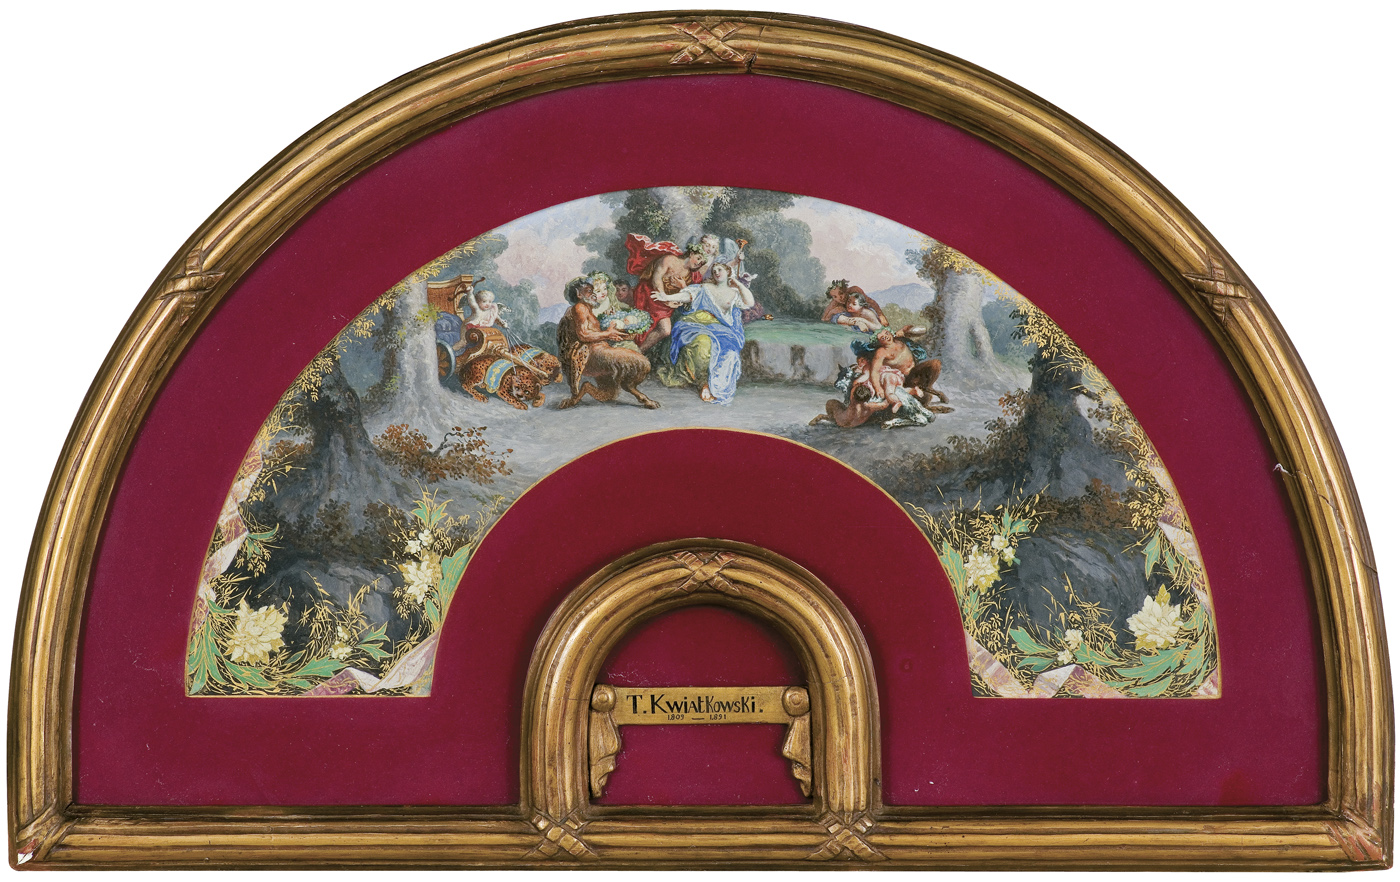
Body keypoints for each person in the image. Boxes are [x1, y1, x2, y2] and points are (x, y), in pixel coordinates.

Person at [651, 263, 754, 403]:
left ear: (728, 272)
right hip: (697, 324)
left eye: (720, 269)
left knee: (729, 353)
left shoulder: (734, 293)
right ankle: (703, 382)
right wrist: (667, 297)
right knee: (702, 343)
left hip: (721, 329)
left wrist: (737, 283)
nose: (716, 272)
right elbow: (688, 296)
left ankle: (716, 385)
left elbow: (749, 303)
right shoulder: (706, 288)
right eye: (714, 270)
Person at [625, 233, 708, 352]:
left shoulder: (692, 275)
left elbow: (689, 295)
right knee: (645, 325)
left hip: (667, 304)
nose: (698, 263)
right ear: (691, 253)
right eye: (698, 258)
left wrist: (681, 289)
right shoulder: (669, 259)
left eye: (701, 262)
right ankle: (635, 350)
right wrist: (664, 297)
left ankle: (638, 352)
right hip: (650, 294)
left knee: (665, 330)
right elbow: (657, 278)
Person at [820, 281, 888, 332]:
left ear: (845, 290)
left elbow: (871, 302)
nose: (840, 298)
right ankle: (858, 323)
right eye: (835, 296)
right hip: (851, 319)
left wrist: (881, 315)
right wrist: (832, 312)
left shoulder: (854, 290)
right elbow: (824, 319)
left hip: (863, 314)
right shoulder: (835, 302)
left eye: (841, 293)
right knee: (836, 316)